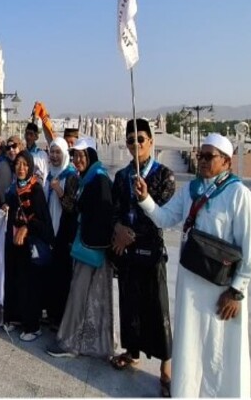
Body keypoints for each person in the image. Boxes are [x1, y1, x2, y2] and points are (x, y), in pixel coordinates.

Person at [133, 133, 251, 398]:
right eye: (199, 155)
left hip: (222, 288)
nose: (201, 161)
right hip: (191, 283)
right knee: (190, 344)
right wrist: (145, 198)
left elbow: (249, 251)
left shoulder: (239, 195)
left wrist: (237, 291)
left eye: (208, 156)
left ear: (226, 161)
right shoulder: (191, 190)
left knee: (222, 349)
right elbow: (165, 218)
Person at [107, 118, 177, 395]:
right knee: (129, 302)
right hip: (126, 253)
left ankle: (166, 363)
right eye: (130, 140)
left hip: (150, 252)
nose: (135, 144)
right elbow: (113, 209)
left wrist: (131, 232)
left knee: (156, 308)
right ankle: (132, 350)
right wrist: (118, 229)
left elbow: (165, 216)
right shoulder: (123, 176)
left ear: (151, 141)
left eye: (140, 139)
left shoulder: (163, 175)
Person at [47, 137, 114, 360]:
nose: (78, 159)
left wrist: (88, 240)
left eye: (82, 155)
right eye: (76, 156)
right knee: (89, 297)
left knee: (78, 294)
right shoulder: (91, 178)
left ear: (91, 156)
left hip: (91, 246)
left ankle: (70, 343)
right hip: (90, 246)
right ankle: (91, 343)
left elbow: (102, 214)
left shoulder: (98, 180)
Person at [3, 150, 53, 342]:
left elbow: (43, 222)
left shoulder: (36, 190)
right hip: (16, 244)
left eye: (25, 165)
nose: (21, 168)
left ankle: (33, 325)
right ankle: (17, 317)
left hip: (30, 244)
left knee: (30, 285)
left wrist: (27, 227)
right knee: (16, 280)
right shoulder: (13, 189)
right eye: (18, 164)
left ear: (31, 167)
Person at [43, 138, 77, 328]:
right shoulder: (51, 175)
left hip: (63, 234)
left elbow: (72, 208)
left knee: (63, 277)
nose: (55, 156)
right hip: (51, 232)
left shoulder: (70, 176)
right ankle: (52, 313)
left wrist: (59, 191)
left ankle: (61, 317)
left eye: (58, 153)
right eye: (52, 152)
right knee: (51, 275)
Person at [0, 135, 22, 202]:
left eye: (14, 146)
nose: (11, 150)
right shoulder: (8, 164)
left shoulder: (23, 164)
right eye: (8, 148)